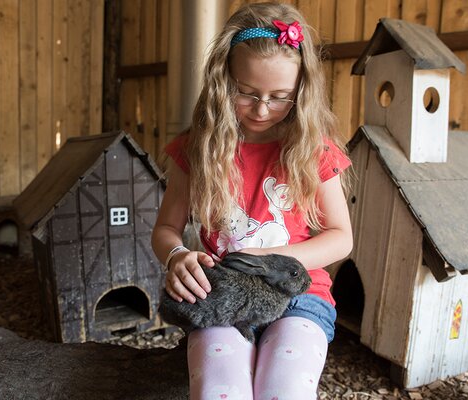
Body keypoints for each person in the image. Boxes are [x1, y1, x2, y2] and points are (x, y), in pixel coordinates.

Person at [151, 2, 353, 399]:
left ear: (302, 92)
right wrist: (177, 255)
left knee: (287, 387)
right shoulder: (197, 149)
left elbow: (340, 237)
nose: (262, 109)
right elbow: (166, 229)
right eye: (246, 93)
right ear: (223, 80)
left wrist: (268, 260)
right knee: (219, 389)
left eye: (280, 97)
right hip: (222, 297)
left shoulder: (314, 150)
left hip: (300, 296)